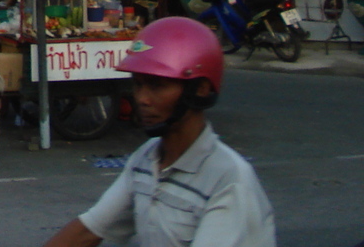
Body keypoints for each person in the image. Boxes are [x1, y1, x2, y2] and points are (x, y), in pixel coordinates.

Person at [40, 17, 275, 247]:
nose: (142, 99)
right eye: (138, 84)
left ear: (200, 90)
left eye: (157, 86)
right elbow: (88, 232)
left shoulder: (228, 180)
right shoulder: (147, 160)